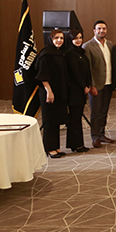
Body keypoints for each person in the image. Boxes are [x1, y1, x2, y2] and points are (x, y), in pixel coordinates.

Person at [37, 29, 69, 157]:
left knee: (57, 120)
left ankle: (56, 146)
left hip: (59, 92)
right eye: (56, 38)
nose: (59, 40)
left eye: (61, 38)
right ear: (50, 39)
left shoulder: (60, 53)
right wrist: (49, 91)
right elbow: (42, 76)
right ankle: (49, 148)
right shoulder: (45, 54)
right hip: (48, 92)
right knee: (49, 120)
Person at [64, 29, 91, 153]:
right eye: (75, 38)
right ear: (70, 39)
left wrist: (89, 84)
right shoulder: (70, 53)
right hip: (75, 91)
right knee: (74, 119)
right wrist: (83, 86)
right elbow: (75, 73)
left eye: (80, 37)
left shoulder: (81, 52)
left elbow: (86, 70)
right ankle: (76, 144)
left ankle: (78, 143)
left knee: (77, 117)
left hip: (82, 90)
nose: (78, 40)